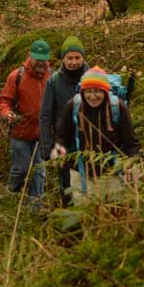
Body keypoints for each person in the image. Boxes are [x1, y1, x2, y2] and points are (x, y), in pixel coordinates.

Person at [51, 67, 141, 202]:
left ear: (105, 91)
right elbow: (62, 136)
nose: (93, 96)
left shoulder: (118, 107)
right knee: (85, 213)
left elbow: (132, 143)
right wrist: (59, 148)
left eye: (98, 91)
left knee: (113, 212)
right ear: (82, 92)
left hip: (113, 175)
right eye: (88, 91)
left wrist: (132, 164)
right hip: (81, 175)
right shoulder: (73, 106)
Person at [0, 39, 52, 204]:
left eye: (44, 59)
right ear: (29, 56)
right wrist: (7, 113)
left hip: (43, 134)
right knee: (20, 169)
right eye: (37, 59)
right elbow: (4, 100)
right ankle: (11, 196)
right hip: (21, 132)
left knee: (39, 172)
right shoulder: (16, 76)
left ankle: (35, 206)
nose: (41, 63)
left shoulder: (52, 77)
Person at [38, 35, 88, 205]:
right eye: (70, 58)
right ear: (63, 59)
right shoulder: (54, 81)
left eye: (77, 58)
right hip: (63, 144)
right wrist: (47, 148)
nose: (74, 62)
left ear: (83, 58)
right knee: (67, 188)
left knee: (89, 186)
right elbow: (45, 116)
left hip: (89, 142)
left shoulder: (92, 77)